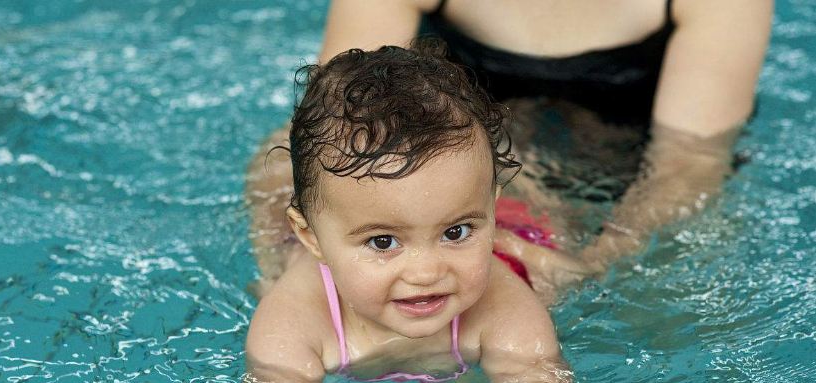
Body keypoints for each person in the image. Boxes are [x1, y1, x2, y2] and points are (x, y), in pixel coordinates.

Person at [239, 41, 580, 383]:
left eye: (457, 232)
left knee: (566, 268)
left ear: (489, 212)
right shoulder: (294, 319)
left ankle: (520, 168)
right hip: (315, 237)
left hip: (519, 234)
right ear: (312, 238)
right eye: (382, 242)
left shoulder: (503, 301)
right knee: (274, 203)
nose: (425, 273)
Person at [247, 0, 774, 294]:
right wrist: (299, 262)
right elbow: (342, 112)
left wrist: (600, 261)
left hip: (621, 173)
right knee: (273, 174)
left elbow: (691, 161)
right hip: (452, 152)